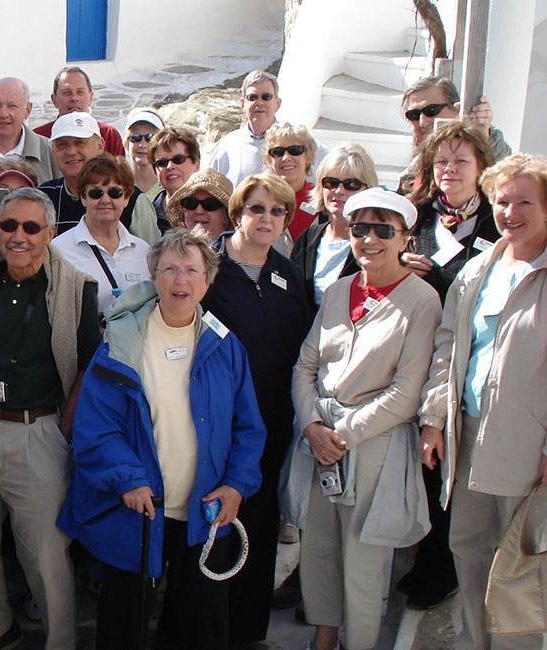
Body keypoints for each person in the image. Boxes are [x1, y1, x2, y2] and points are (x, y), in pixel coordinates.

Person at [58, 227, 266, 649]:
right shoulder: (120, 343)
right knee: (124, 621)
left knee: (201, 619)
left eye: (192, 270)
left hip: (204, 509)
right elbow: (96, 428)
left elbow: (248, 427)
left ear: (208, 281)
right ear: (153, 276)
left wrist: (236, 485)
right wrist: (128, 479)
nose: (180, 280)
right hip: (138, 508)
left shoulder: (226, 347)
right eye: (170, 269)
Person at [284, 188, 440, 650]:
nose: (369, 239)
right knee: (320, 549)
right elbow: (305, 365)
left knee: (366, 556)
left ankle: (361, 642)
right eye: (360, 229)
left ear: (405, 239)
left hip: (373, 445)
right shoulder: (337, 291)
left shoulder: (422, 300)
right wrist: (312, 426)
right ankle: (324, 636)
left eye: (382, 230)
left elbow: (407, 391)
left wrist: (340, 434)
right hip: (321, 439)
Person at [0, 188, 101, 650]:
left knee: (47, 557)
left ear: (49, 233)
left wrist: (62, 433)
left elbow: (87, 371)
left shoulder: (77, 289)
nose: (17, 236)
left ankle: (60, 643)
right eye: (9, 225)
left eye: (31, 228)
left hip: (38, 432)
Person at [418, 152, 547, 650]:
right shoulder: (478, 270)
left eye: (524, 202)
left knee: (521, 564)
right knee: (468, 551)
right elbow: (448, 346)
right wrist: (433, 420)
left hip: (526, 446)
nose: (510, 212)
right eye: (502, 201)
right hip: (466, 436)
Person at [202, 173, 311, 646]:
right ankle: (205, 628)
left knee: (261, 525)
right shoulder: (207, 269)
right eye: (256, 208)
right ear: (237, 213)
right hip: (214, 424)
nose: (266, 218)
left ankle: (248, 631)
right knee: (212, 526)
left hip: (271, 424)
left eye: (277, 211)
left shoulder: (290, 274)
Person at [404, 120, 498, 301]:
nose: (450, 169)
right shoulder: (414, 215)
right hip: (421, 323)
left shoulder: (497, 219)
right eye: (441, 161)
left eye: (461, 161)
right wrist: (398, 267)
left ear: (480, 167)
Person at [51, 153, 151, 313]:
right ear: (83, 197)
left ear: (126, 198)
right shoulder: (58, 251)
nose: (105, 200)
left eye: (115, 192)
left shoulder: (143, 251)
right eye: (96, 193)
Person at [291, 144, 376, 317]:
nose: (339, 191)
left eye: (351, 184)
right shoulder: (307, 239)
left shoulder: (376, 244)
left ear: (367, 189)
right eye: (331, 183)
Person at [399, 76, 511, 194]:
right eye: (414, 115)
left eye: (431, 110)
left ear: (456, 110)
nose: (422, 122)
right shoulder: (410, 179)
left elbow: (507, 178)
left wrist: (482, 135)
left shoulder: (494, 147)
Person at [208, 70, 286, 187]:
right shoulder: (228, 144)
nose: (259, 102)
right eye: (252, 97)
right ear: (243, 104)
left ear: (277, 104)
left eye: (266, 97)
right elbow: (210, 186)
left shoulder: (294, 143)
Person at [31, 66, 126, 157]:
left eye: (80, 92)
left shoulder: (108, 135)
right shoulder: (38, 138)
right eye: (66, 93)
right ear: (54, 100)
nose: (74, 98)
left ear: (91, 97)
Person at [39, 111, 108, 234]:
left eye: (80, 142)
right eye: (62, 144)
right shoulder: (43, 197)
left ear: (100, 146)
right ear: (53, 152)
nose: (71, 152)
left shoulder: (127, 197)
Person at [132, 126, 203, 237]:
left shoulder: (213, 209)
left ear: (197, 164)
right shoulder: (146, 215)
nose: (170, 166)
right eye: (162, 162)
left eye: (178, 159)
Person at [263, 122, 319, 241]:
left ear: (308, 157)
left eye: (295, 150)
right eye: (278, 152)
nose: (286, 158)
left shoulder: (322, 202)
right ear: (269, 159)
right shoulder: (259, 200)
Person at [164, 168, 235, 242]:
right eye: (190, 203)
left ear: (226, 216)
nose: (199, 211)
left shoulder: (239, 252)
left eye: (210, 204)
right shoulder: (171, 251)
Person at [124, 108, 165, 194]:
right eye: (136, 137)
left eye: (150, 138)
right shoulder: (118, 189)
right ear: (127, 144)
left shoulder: (170, 187)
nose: (142, 145)